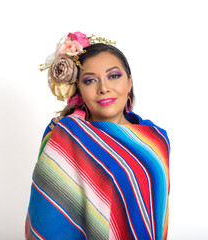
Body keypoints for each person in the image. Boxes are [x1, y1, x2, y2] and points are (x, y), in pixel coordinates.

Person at [25, 32, 170, 240]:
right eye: (90, 80)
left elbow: (154, 213)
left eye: (114, 76)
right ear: (79, 90)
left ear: (129, 83)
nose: (103, 88)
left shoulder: (156, 140)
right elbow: (49, 216)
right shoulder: (66, 137)